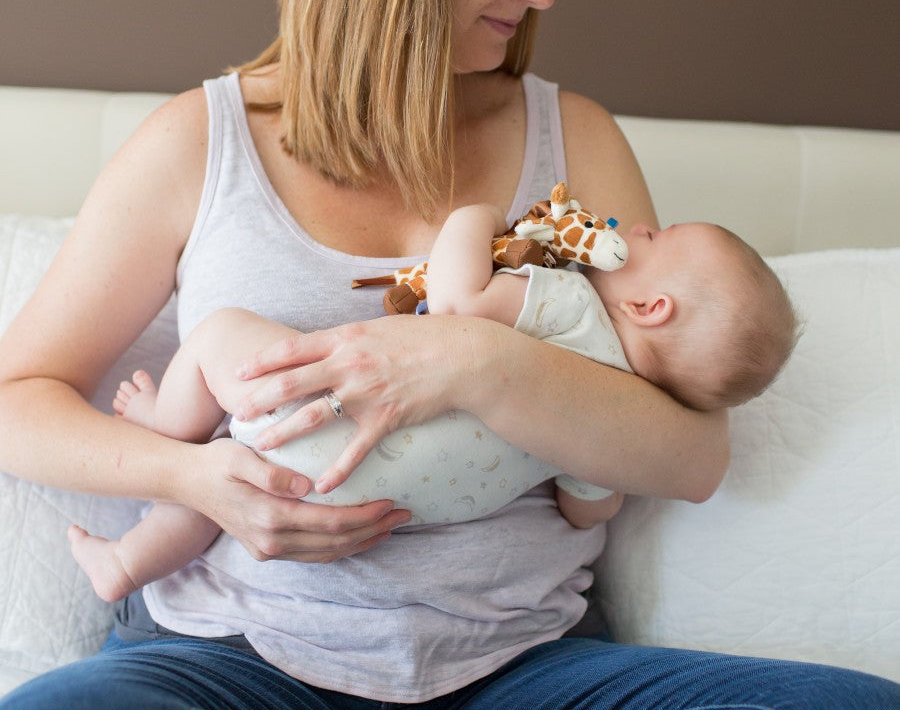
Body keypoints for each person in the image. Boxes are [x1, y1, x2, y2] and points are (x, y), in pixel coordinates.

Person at [0, 0, 897, 710]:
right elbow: (16, 398)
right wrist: (196, 481)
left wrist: (474, 358)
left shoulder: (573, 138)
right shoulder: (201, 143)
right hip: (230, 663)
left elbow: (692, 458)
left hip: (521, 678)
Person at [68, 196, 798, 605]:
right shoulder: (610, 422)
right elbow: (587, 508)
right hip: (357, 508)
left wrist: (478, 219)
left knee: (223, 344)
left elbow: (455, 299)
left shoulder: (570, 304)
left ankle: (163, 430)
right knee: (226, 476)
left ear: (651, 307)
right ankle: (127, 564)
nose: (637, 227)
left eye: (658, 236)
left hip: (313, 417)